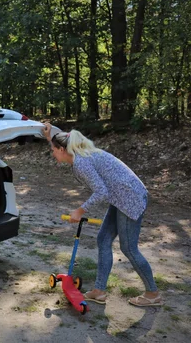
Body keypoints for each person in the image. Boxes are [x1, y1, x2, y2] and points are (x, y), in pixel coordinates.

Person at [42, 123, 162, 307]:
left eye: (53, 150)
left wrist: (79, 210)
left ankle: (152, 293)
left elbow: (101, 192)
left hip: (130, 197)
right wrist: (50, 136)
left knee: (129, 248)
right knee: (103, 239)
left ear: (62, 149)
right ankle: (99, 291)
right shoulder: (76, 154)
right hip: (121, 197)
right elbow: (61, 143)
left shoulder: (81, 163)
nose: (52, 154)